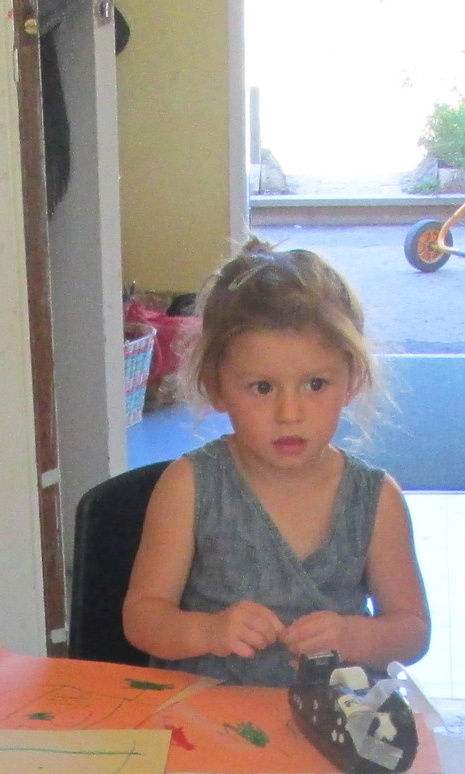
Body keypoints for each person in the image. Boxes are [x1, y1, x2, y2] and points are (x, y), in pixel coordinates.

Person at [122, 241, 429, 685]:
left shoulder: (375, 499)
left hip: (336, 725)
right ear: (217, 386)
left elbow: (411, 631)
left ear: (352, 380)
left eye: (315, 384)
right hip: (209, 726)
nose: (290, 413)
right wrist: (207, 630)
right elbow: (143, 619)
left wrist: (352, 635)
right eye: (262, 388)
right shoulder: (189, 486)